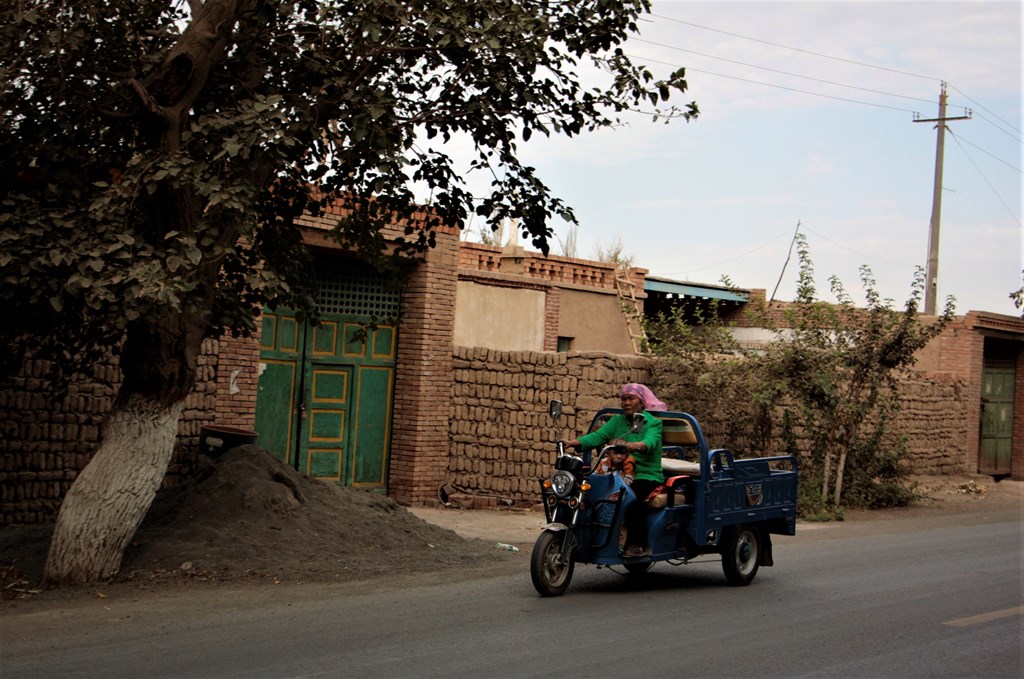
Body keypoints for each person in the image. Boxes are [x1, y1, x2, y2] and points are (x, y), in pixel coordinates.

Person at [562, 383, 665, 558]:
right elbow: (599, 436)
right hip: (616, 471)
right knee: (588, 493)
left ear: (641, 403)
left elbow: (650, 442)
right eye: (624, 399)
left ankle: (637, 544)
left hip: (645, 474)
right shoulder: (617, 421)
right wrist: (574, 443)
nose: (626, 403)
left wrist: (636, 445)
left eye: (631, 398)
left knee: (631, 499)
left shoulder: (652, 423)